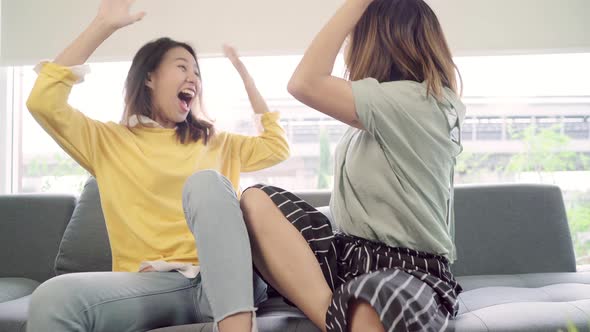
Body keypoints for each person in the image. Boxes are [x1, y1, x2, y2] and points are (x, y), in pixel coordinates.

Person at [25, 0, 289, 331]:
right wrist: (102, 25)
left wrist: (246, 77)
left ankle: (237, 323)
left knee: (206, 182)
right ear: (150, 77)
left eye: (197, 72)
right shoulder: (107, 141)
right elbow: (42, 102)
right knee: (54, 297)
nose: (193, 76)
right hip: (154, 287)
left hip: (223, 281)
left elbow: (277, 147)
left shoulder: (219, 143)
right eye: (182, 67)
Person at [239, 0, 466, 331]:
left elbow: (304, 82)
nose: (347, 47)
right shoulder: (383, 106)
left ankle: (342, 315)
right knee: (255, 201)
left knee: (372, 297)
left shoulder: (422, 102)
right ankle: (333, 317)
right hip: (348, 255)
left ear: (375, 41)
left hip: (409, 268)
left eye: (352, 37)